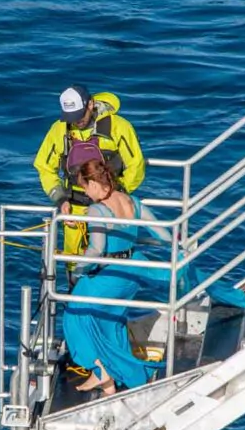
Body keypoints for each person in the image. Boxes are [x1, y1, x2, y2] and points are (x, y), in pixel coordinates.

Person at [62, 159, 171, 395]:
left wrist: (77, 270)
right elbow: (164, 234)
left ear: (93, 183)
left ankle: (100, 370)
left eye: (85, 187)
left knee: (74, 314)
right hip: (132, 270)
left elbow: (96, 249)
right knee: (111, 316)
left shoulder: (97, 209)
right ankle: (106, 378)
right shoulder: (133, 201)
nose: (86, 194)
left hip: (110, 271)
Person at [33, 85, 146, 279]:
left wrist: (115, 195)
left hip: (109, 209)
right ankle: (73, 297)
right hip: (74, 211)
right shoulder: (59, 130)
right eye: (71, 118)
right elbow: (44, 167)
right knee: (74, 266)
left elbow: (136, 165)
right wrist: (60, 199)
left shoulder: (119, 127)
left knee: (110, 262)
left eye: (79, 115)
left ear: (90, 104)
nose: (76, 122)